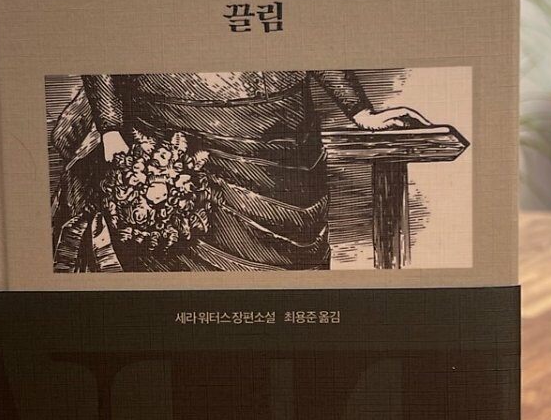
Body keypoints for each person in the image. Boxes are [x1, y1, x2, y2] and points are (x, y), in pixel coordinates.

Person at [63, 71, 427, 271]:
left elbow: (309, 28)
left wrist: (359, 110)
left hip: (288, 138)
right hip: (175, 127)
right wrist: (110, 128)